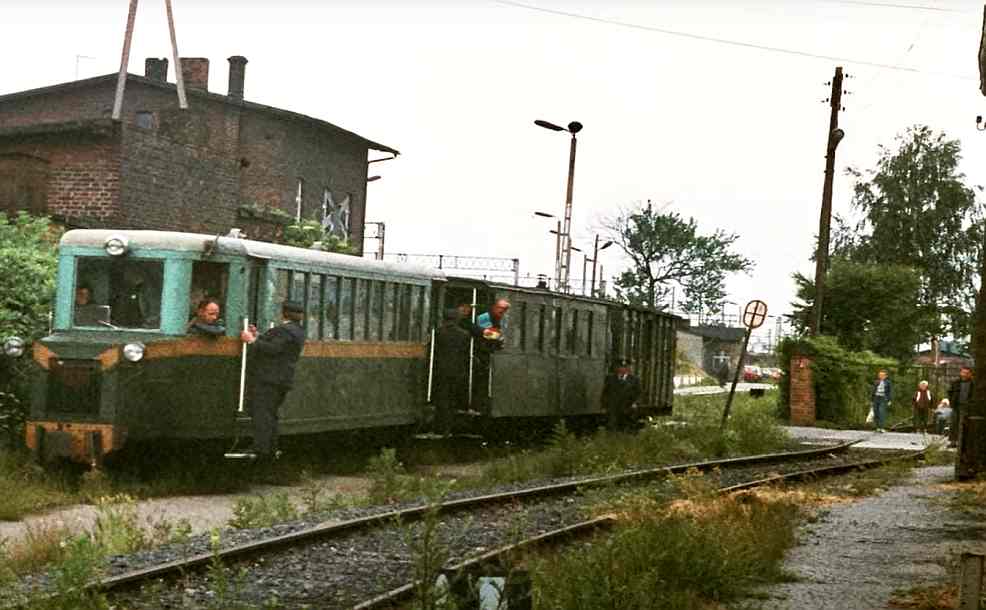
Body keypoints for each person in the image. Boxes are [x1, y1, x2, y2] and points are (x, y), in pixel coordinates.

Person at [239, 300, 306, 464]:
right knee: (271, 414)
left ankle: (261, 449)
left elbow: (274, 349)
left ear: (284, 313)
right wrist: (258, 335)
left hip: (269, 378)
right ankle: (271, 448)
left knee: (262, 413)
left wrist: (251, 340)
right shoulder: (298, 331)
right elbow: (276, 345)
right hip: (283, 379)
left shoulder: (284, 330)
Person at [432, 308, 472, 434]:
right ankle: (451, 426)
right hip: (458, 370)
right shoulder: (464, 335)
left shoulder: (438, 333)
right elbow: (465, 354)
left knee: (442, 398)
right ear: (456, 319)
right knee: (453, 398)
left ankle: (441, 426)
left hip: (441, 370)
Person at [601, 358, 643, 431]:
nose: (622, 369)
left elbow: (639, 394)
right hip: (613, 409)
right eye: (620, 367)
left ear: (628, 368)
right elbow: (605, 393)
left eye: (625, 367)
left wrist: (635, 403)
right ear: (617, 368)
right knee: (612, 429)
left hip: (628, 409)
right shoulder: (610, 378)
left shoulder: (634, 380)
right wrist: (604, 406)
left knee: (627, 429)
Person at [947, 367, 974, 448]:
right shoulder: (956, 382)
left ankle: (963, 443)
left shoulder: (973, 384)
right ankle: (953, 442)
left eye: (966, 373)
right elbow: (950, 392)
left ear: (970, 374)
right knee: (954, 423)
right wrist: (952, 402)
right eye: (963, 372)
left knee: (965, 424)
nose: (964, 375)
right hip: (956, 405)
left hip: (967, 407)